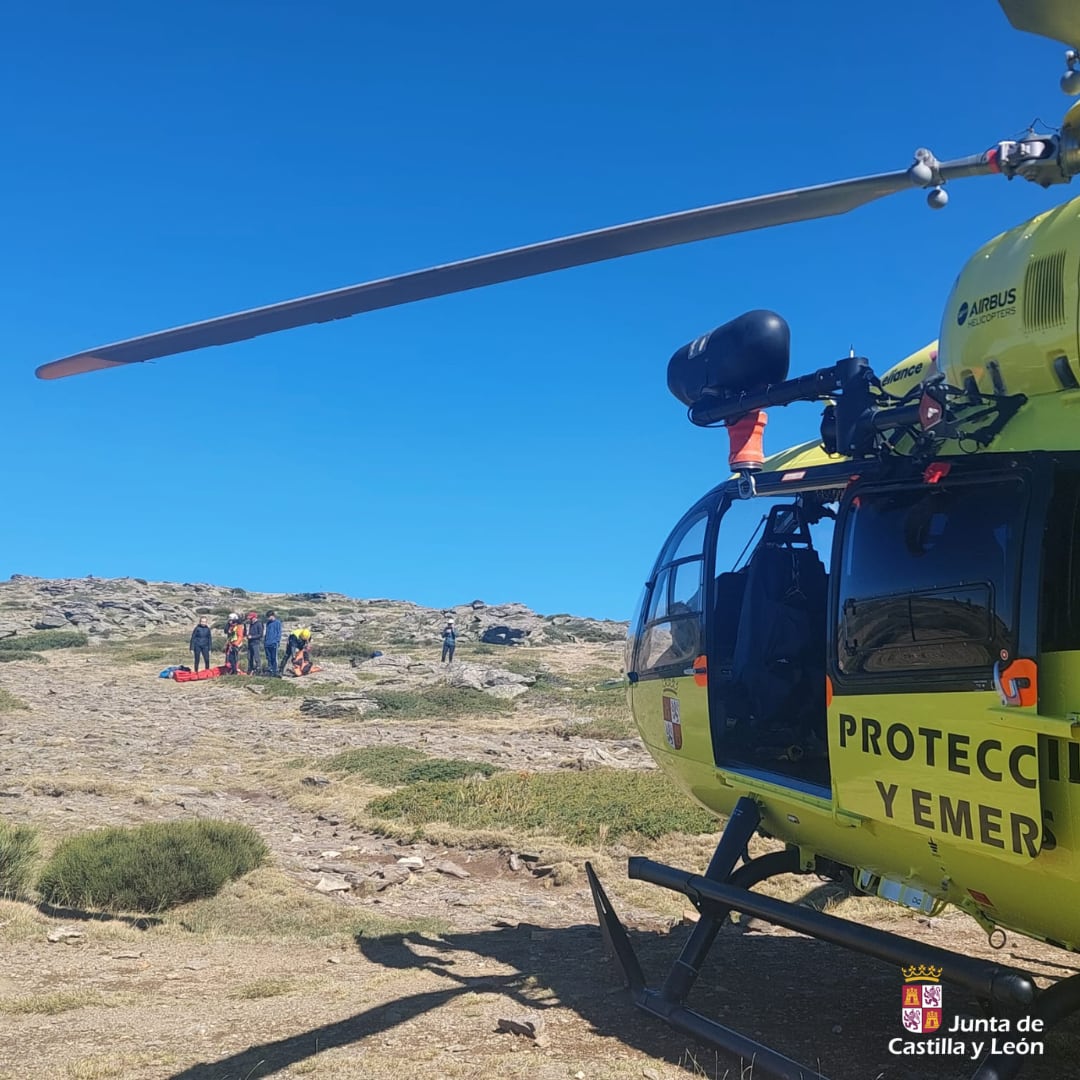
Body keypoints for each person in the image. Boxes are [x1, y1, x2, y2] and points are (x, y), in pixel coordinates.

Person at [263, 610, 282, 677]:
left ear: (272, 616)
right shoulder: (268, 623)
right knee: (269, 658)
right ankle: (270, 670)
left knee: (274, 658)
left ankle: (275, 671)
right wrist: (265, 641)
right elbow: (266, 633)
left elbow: (279, 633)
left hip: (274, 643)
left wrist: (277, 641)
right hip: (267, 643)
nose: (268, 618)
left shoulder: (278, 623)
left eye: (269, 617)